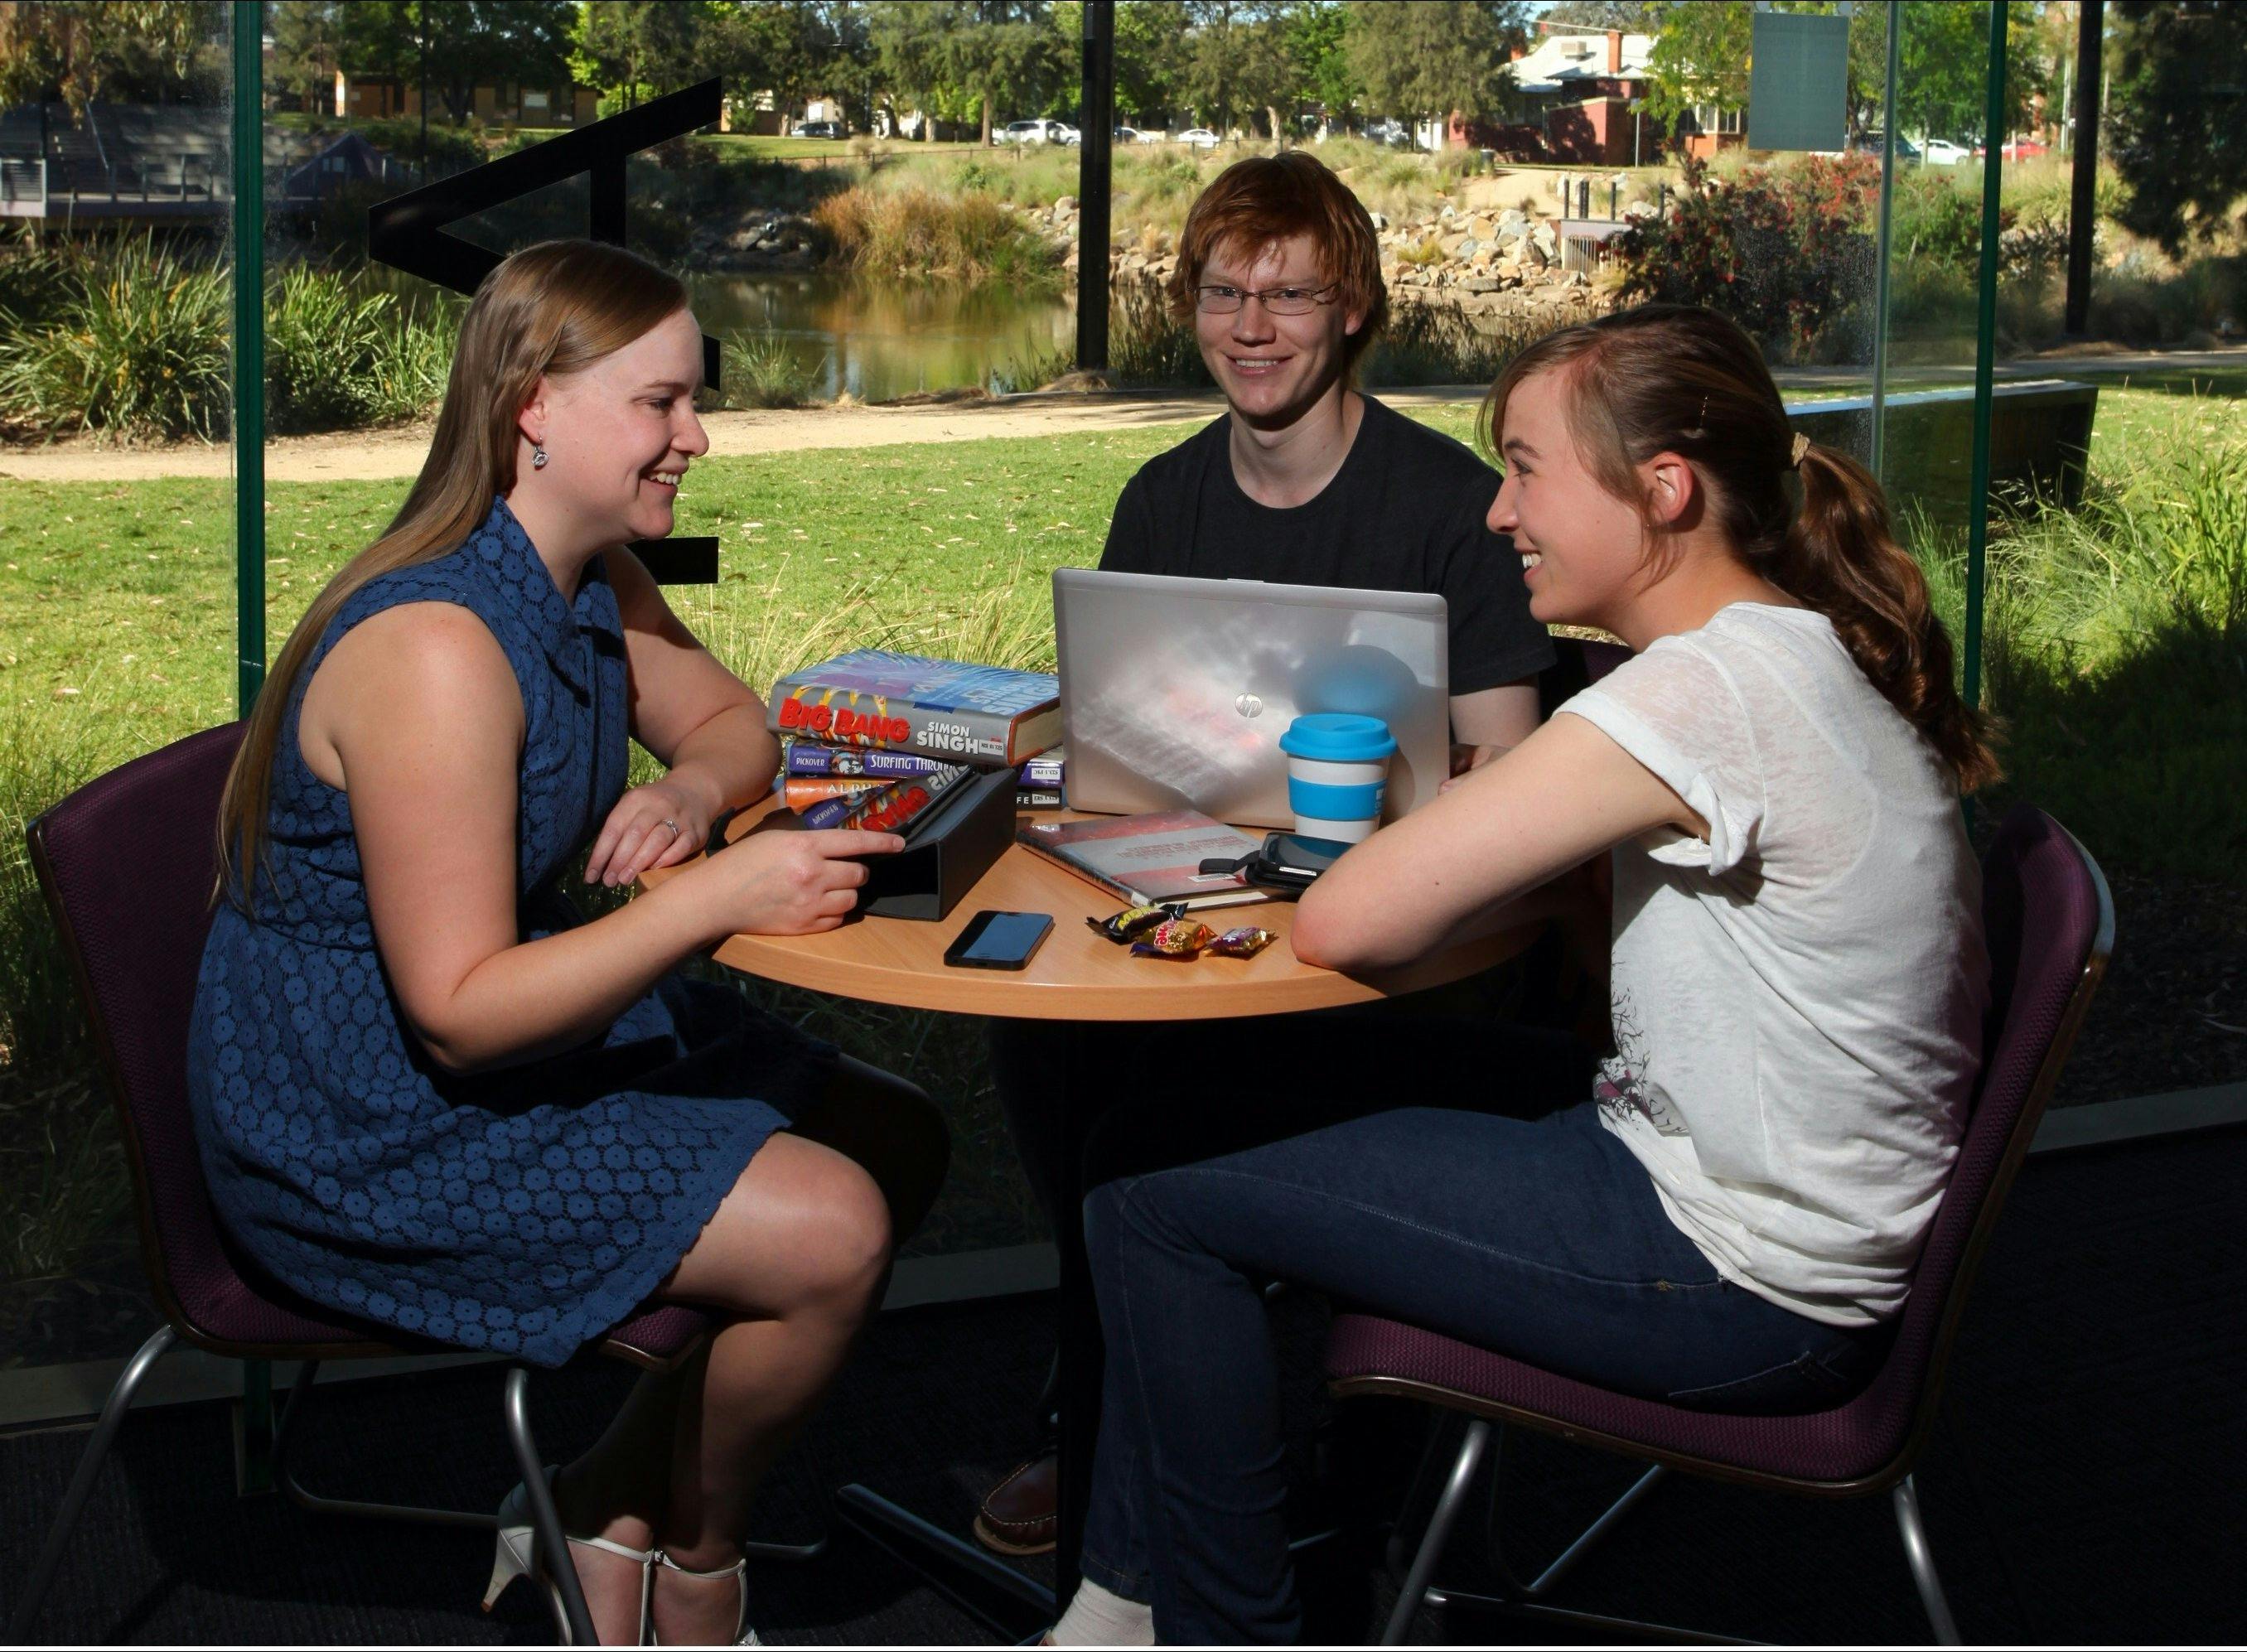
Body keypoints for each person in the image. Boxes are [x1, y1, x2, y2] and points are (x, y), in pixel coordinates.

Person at [1051, 302, 1998, 1644]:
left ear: (1663, 490)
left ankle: (1205, 1622)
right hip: (1763, 1189)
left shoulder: (1690, 699)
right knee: (1224, 1097)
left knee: (1147, 1186)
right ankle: (1124, 1595)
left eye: (1528, 467)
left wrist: (1425, 822)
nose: (1501, 513)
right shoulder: (1784, 649)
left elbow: (1347, 924)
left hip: (1739, 1275)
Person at [188, 240, 948, 1647]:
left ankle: (600, 1497)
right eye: (663, 403)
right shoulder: (437, 649)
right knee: (834, 1229)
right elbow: (463, 1013)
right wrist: (709, 900)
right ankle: (696, 1566)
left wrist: (686, 792)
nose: (698, 435)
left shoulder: (585, 578)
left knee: (898, 1137)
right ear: (535, 406)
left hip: (503, 1052)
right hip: (368, 1125)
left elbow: (739, 724)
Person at [976, 148, 1558, 1562]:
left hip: (1388, 930)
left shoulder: (1448, 509)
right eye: (1224, 291)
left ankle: (1316, 1415)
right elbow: (1114, 740)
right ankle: (1118, 1403)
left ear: (1353, 307)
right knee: (1043, 1041)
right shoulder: (1162, 496)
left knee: (1174, 1103)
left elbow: (1511, 761)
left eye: (1290, 294)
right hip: (1194, 893)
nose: (1251, 326)